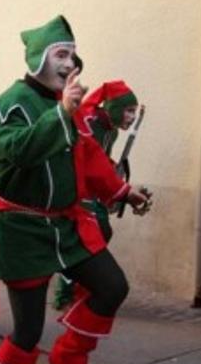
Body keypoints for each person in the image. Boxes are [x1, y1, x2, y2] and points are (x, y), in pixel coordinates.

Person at [0, 16, 152, 364]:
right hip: (21, 229)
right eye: (61, 54)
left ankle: (70, 355)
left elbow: (90, 157)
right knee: (27, 330)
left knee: (112, 286)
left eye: (72, 55)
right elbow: (20, 151)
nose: (69, 63)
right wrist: (61, 113)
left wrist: (121, 190)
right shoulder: (10, 103)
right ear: (38, 58)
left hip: (65, 224)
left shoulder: (70, 107)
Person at [53, 80, 140, 310]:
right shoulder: (90, 123)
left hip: (95, 187)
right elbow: (83, 156)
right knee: (98, 229)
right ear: (115, 107)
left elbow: (101, 158)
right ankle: (66, 289)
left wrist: (116, 179)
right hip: (78, 187)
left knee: (102, 231)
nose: (131, 117)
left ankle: (80, 284)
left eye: (134, 112)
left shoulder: (111, 130)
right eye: (128, 111)